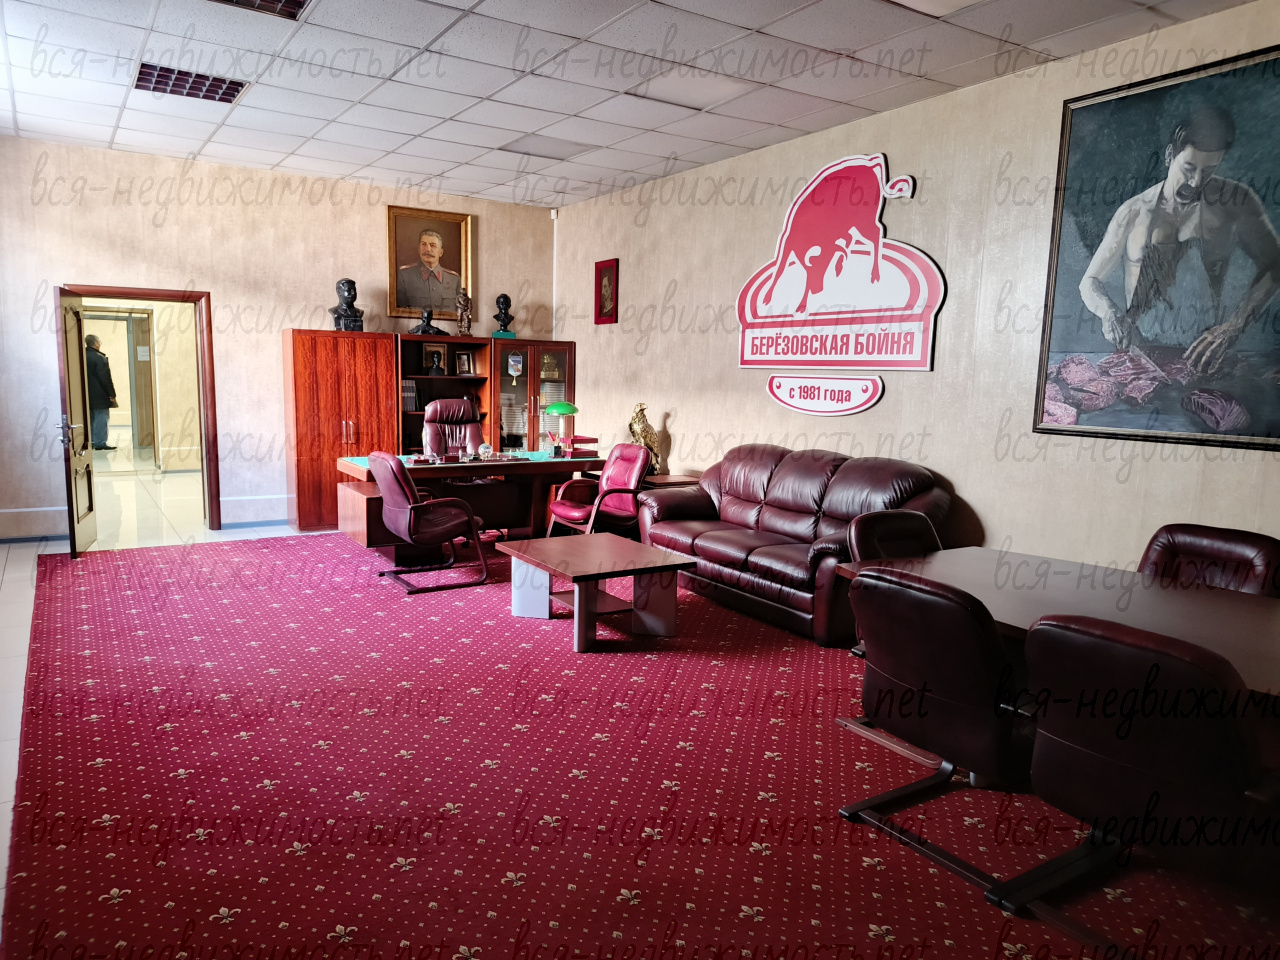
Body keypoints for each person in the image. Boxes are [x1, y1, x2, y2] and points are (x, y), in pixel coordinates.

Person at [1079, 103, 1280, 376]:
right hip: (1140, 362)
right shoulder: (1132, 212)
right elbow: (1090, 281)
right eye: (1188, 168)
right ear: (1169, 155)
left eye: (1208, 171)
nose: (1196, 182)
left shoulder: (1237, 202)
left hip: (1205, 358)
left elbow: (1275, 264)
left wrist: (1234, 326)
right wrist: (1108, 312)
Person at [397, 229, 461, 312]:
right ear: (419, 249)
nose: (427, 249)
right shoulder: (404, 276)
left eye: (433, 245)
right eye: (423, 244)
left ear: (441, 252)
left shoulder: (454, 279)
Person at [84, 334, 117, 450]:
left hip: (86, 394)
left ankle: (92, 441)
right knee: (101, 418)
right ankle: (100, 443)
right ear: (96, 343)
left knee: (91, 418)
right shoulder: (99, 358)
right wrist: (111, 394)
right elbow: (105, 378)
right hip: (100, 394)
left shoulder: (82, 356)